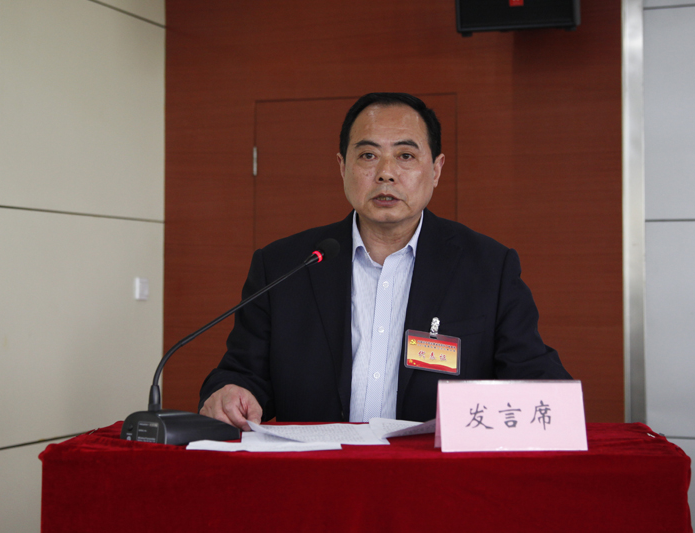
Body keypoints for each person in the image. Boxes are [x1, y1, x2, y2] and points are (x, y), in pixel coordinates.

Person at [199, 92, 571, 430]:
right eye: (368, 155)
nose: (386, 173)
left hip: (434, 475)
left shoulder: (488, 268)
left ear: (436, 169)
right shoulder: (284, 266)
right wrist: (229, 393)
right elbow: (242, 374)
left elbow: (537, 382)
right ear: (342, 166)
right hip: (318, 473)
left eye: (406, 156)